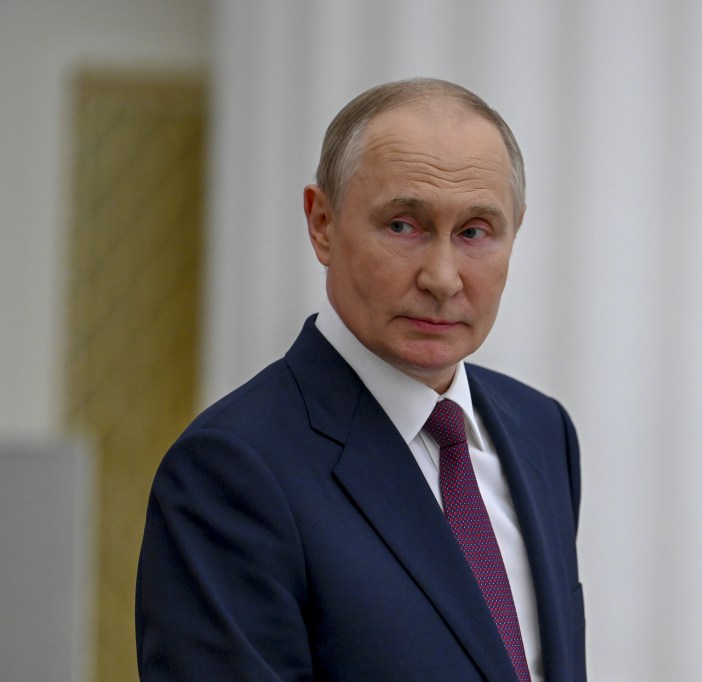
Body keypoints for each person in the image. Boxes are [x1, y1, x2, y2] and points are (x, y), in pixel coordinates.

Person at [135, 77, 585, 681]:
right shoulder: (231, 469)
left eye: (475, 232)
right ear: (322, 223)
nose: (443, 278)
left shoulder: (542, 432)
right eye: (404, 225)